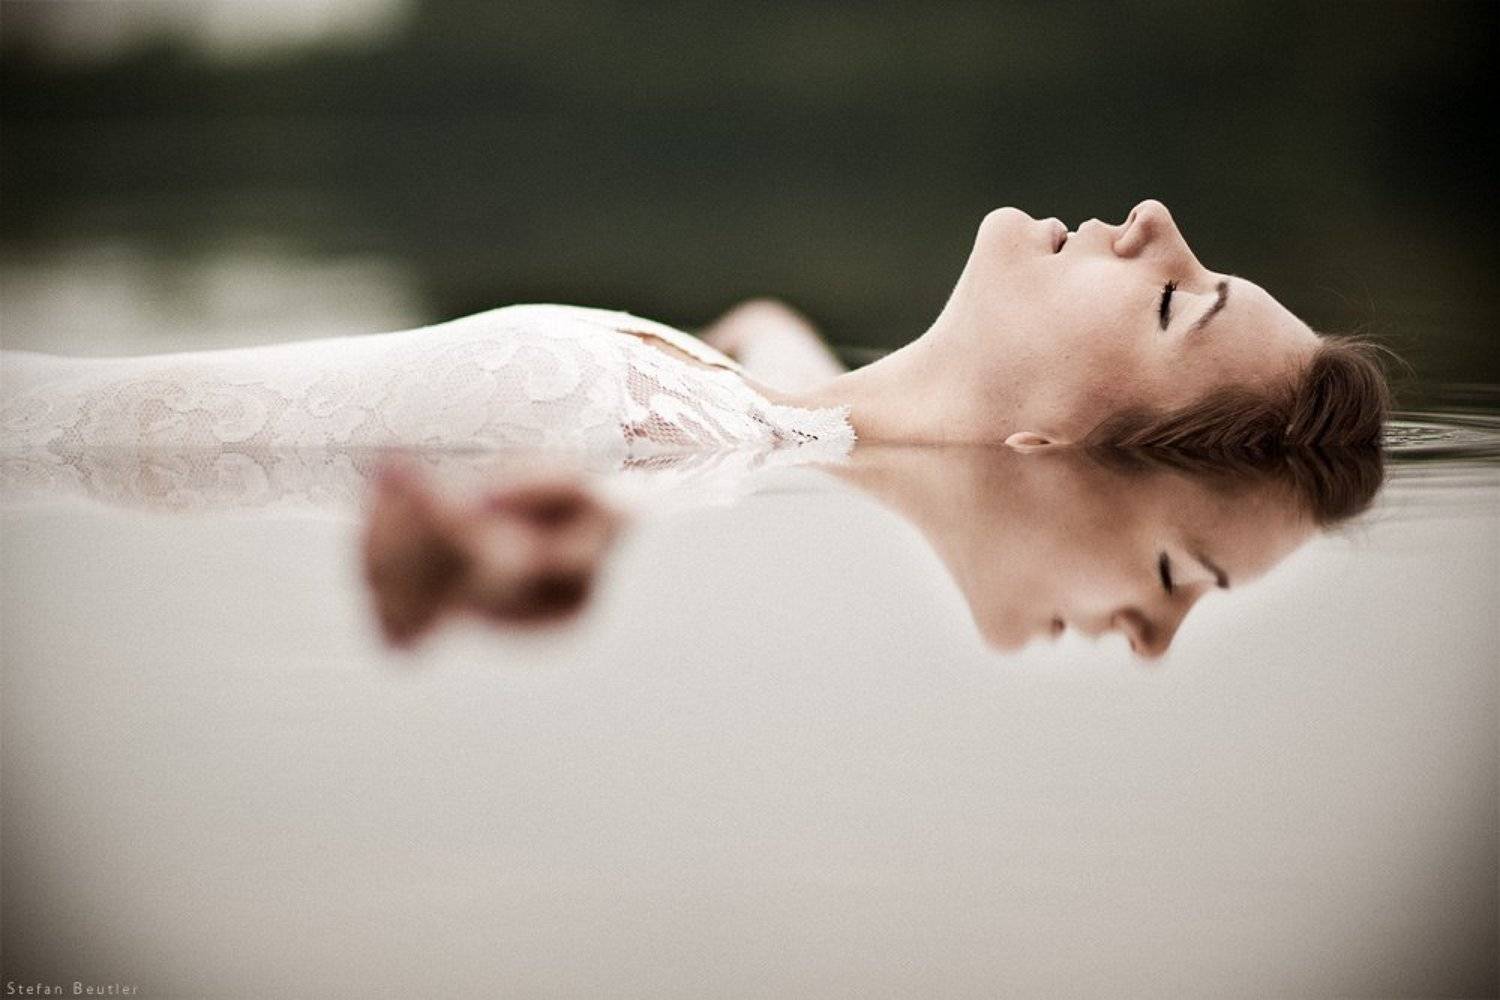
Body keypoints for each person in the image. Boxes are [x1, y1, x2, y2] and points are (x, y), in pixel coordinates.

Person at [2, 200, 1389, 471]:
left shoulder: (642, 430)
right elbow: (779, 351)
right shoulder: (780, 415)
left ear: (1049, 441)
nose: (1156, 222)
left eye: (1174, 301)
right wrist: (786, 354)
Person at [360, 441, 1385, 656]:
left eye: (1171, 308)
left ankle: (498, 558)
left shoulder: (896, 460)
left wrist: (600, 515)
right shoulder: (848, 429)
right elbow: (764, 326)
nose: (1150, 221)